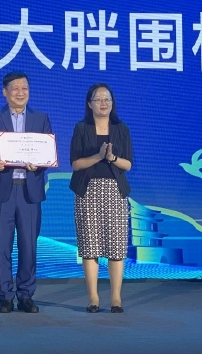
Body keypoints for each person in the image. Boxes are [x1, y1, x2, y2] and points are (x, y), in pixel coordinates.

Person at [0, 71, 52, 314]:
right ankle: (5, 296)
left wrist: (38, 164)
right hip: (3, 191)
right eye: (15, 88)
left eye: (25, 88)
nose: (21, 93)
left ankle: (26, 295)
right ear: (5, 92)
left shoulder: (41, 118)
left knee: (29, 246)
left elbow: (47, 153)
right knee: (2, 246)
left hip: (30, 191)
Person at [70, 83, 133, 314]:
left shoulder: (121, 129)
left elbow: (128, 164)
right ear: (90, 104)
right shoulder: (81, 128)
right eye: (98, 99)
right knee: (90, 246)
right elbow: (76, 164)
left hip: (115, 191)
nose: (103, 103)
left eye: (107, 99)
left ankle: (116, 297)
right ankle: (93, 298)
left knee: (116, 246)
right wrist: (98, 156)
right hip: (87, 191)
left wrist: (112, 157)